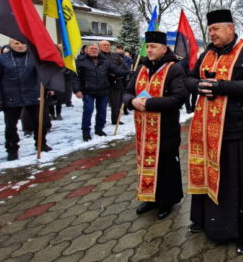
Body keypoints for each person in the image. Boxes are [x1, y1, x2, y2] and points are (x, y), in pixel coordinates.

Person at [186, 9, 243, 255]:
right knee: (207, 174)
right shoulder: (207, 53)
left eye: (215, 29)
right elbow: (188, 79)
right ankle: (205, 221)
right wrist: (200, 85)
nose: (211, 34)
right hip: (205, 128)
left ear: (230, 29)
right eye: (210, 30)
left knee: (236, 182)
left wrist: (221, 86)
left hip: (235, 130)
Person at [123, 31, 187, 219]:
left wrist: (148, 104)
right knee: (146, 164)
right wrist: (131, 102)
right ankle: (149, 198)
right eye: (147, 46)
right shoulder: (141, 68)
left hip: (165, 129)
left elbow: (178, 98)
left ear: (164, 49)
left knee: (166, 167)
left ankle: (166, 202)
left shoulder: (174, 69)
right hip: (143, 130)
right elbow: (127, 92)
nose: (149, 50)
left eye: (153, 47)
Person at [0, 39, 52, 161]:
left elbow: (45, 74)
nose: (20, 46)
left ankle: (41, 143)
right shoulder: (1, 59)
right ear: (10, 45)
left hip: (32, 94)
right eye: (16, 43)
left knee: (40, 122)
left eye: (23, 43)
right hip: (10, 95)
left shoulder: (34, 57)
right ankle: (12, 149)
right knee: (11, 126)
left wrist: (48, 87)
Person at [72, 43, 130, 141]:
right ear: (86, 50)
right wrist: (76, 90)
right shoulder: (80, 61)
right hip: (88, 91)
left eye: (95, 49)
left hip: (103, 90)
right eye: (91, 48)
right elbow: (75, 77)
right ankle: (86, 132)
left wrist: (129, 72)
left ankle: (99, 129)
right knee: (88, 111)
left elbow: (116, 70)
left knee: (102, 111)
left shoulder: (105, 61)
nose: (94, 50)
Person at [99, 40, 128, 125]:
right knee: (102, 105)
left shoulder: (115, 55)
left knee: (116, 103)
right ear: (100, 47)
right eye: (104, 45)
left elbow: (123, 66)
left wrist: (117, 72)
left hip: (116, 82)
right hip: (103, 83)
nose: (107, 46)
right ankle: (101, 122)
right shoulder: (97, 56)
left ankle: (115, 119)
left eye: (108, 45)